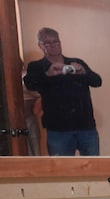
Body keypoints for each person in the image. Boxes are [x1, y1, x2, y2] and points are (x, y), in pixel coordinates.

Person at [23, 27, 102, 156]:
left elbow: (97, 81)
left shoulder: (76, 62)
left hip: (86, 127)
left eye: (56, 41)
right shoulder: (36, 67)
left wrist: (84, 73)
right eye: (47, 43)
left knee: (93, 169)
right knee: (61, 170)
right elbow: (30, 84)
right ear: (40, 45)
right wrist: (48, 74)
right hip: (58, 130)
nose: (53, 45)